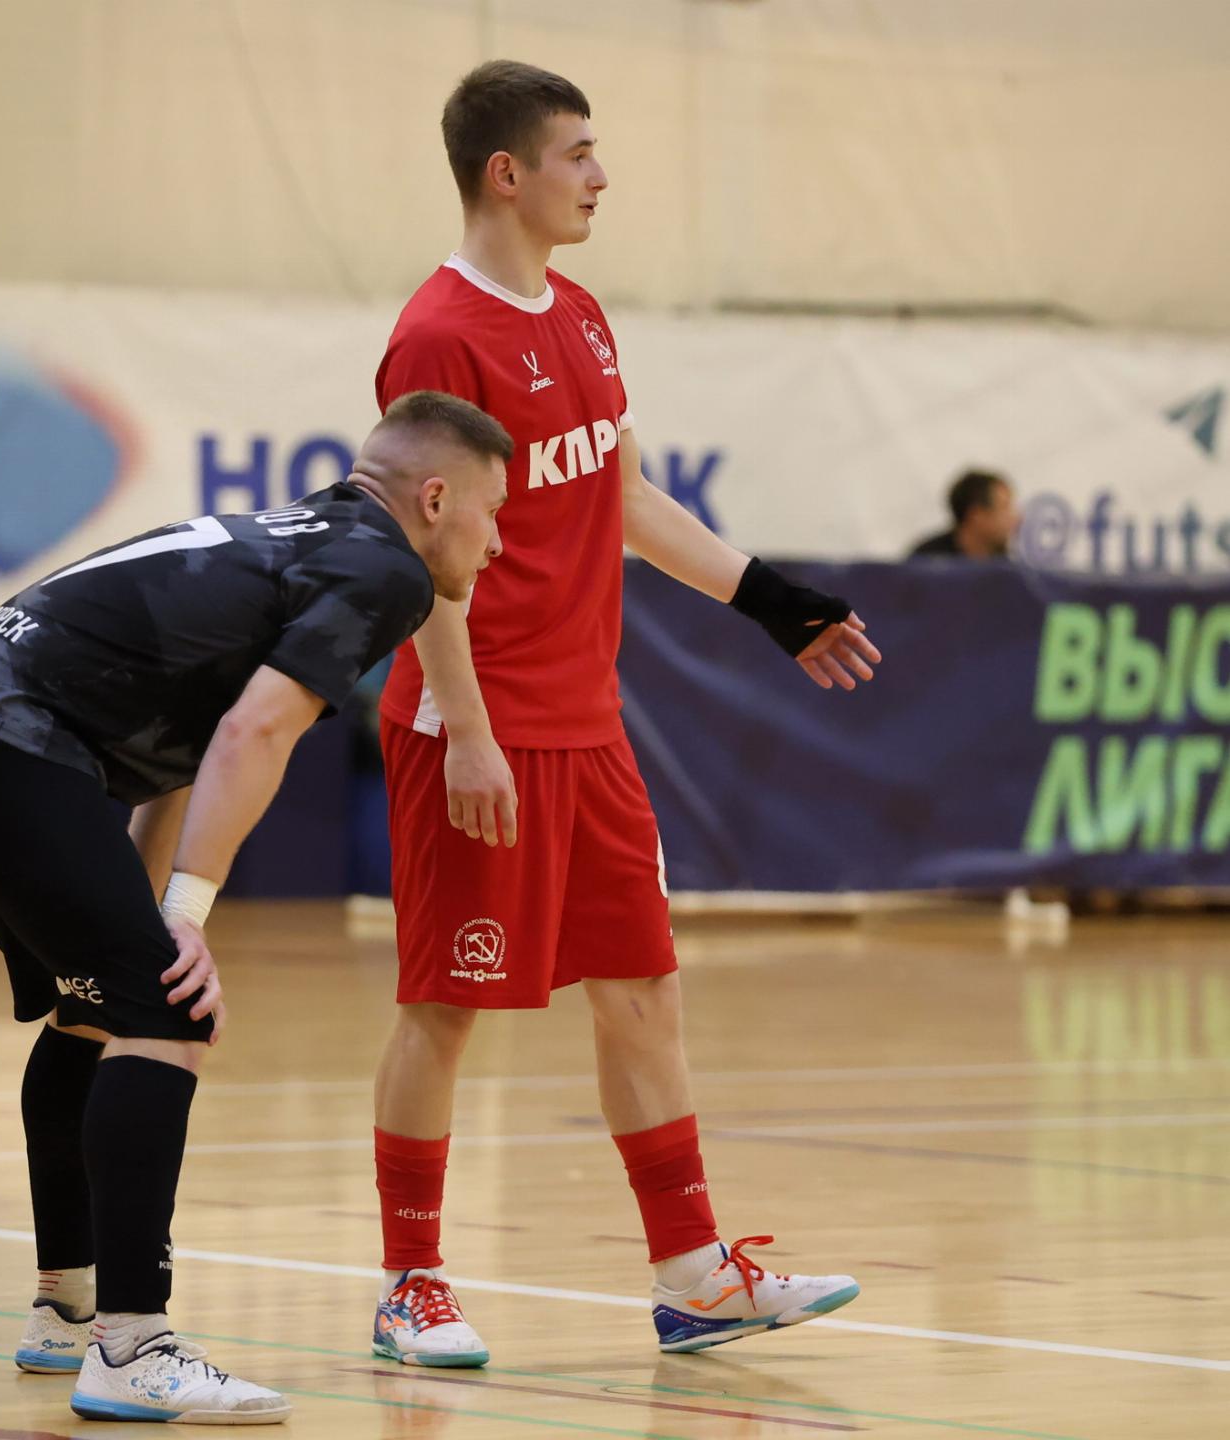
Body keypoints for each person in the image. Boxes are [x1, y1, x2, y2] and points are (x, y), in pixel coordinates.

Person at [367, 61, 882, 1367]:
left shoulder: (584, 317)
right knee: (445, 1005)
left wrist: (771, 601)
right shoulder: (438, 336)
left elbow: (628, 500)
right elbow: (417, 557)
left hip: (587, 726)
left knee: (643, 990)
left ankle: (694, 1275)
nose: (601, 177)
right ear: (508, 174)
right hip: (477, 725)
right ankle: (411, 1281)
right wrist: (466, 727)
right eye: (579, 154)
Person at [0, 391, 511, 1423]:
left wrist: (153, 916)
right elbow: (253, 736)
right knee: (168, 1011)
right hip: (9, 745)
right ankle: (134, 1348)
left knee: (99, 1007)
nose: (498, 545)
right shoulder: (386, 570)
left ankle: (67, 1310)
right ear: (436, 499)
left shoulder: (294, 538)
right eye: (494, 513)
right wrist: (185, 917)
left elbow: (181, 750)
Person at [908, 469, 1019, 559]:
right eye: (1005, 508)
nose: (1016, 518)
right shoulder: (927, 562)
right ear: (977, 516)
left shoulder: (1013, 564)